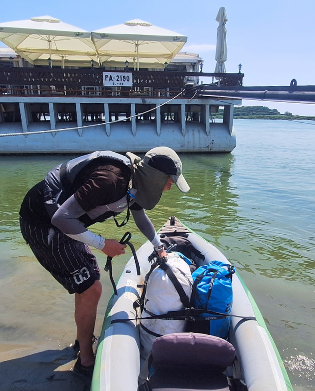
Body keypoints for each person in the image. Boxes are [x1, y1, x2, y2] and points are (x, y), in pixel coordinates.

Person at [18, 147, 190, 375]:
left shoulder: (136, 182)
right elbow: (61, 218)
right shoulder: (110, 180)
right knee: (91, 288)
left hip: (66, 222)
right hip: (43, 222)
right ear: (157, 176)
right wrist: (102, 244)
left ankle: (82, 342)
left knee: (88, 283)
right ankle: (86, 362)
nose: (169, 187)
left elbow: (140, 216)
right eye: (169, 181)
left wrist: (159, 247)